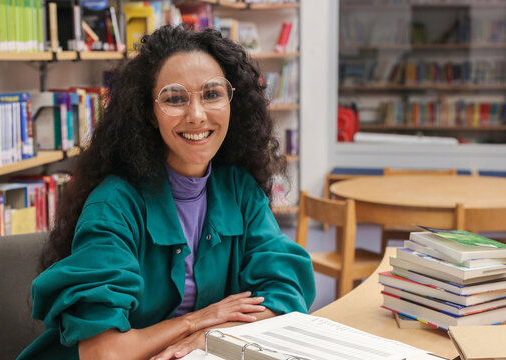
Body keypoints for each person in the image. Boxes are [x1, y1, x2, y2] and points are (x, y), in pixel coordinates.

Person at [18, 25, 316, 360]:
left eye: (212, 94)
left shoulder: (239, 189)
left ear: (233, 102)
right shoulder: (114, 205)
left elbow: (285, 298)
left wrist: (209, 336)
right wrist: (196, 322)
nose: (197, 115)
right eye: (174, 98)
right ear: (148, 113)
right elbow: (104, 352)